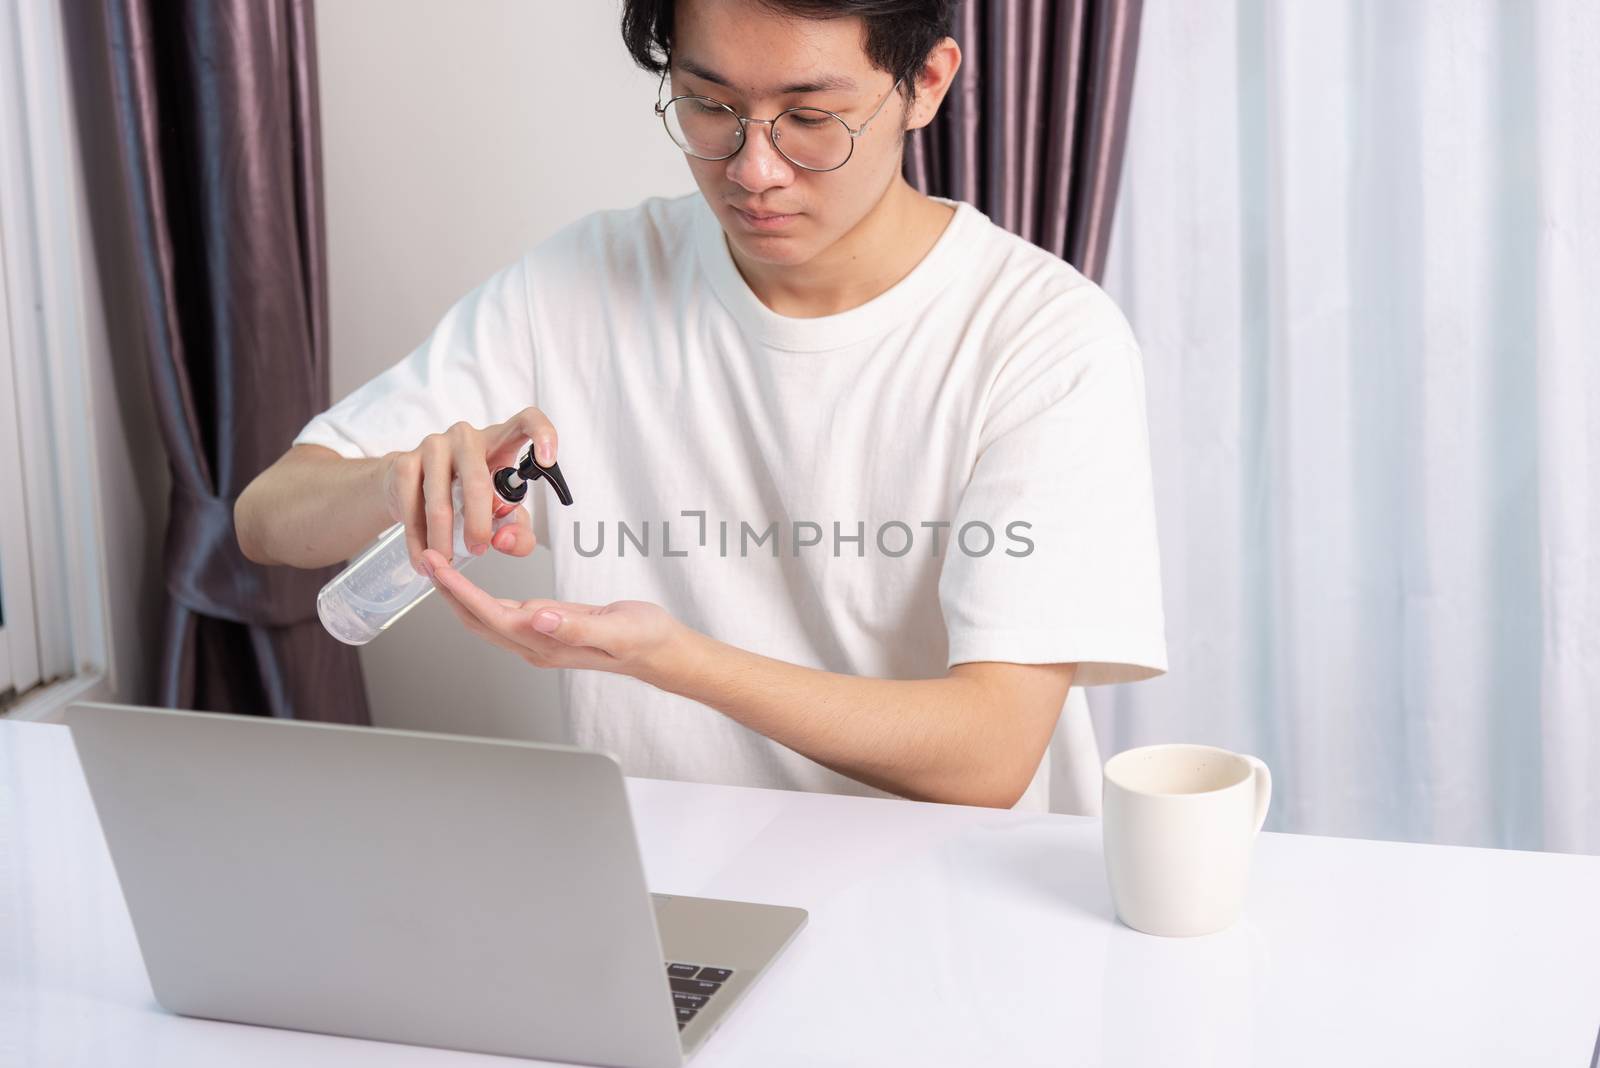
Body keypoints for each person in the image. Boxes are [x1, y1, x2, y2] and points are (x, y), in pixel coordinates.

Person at [235, 0, 1167, 812]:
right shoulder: (584, 282)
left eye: (811, 118)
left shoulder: (1043, 339)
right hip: (665, 908)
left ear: (926, 83)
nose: (752, 168)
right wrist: (402, 484)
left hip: (951, 914)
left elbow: (990, 754)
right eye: (710, 106)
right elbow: (269, 516)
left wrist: (674, 661)